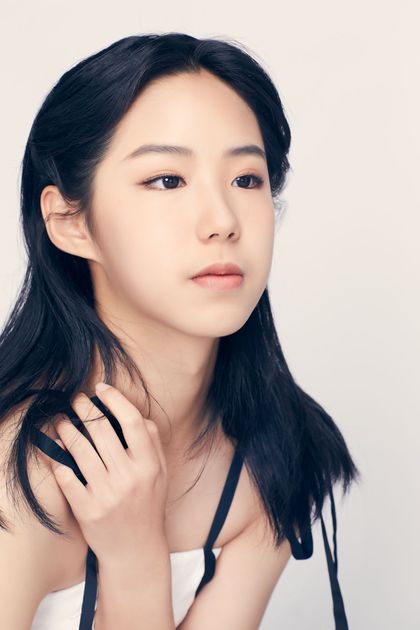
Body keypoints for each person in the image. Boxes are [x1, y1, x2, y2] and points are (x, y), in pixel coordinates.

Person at [0, 32, 361, 629]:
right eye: (167, 180)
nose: (222, 221)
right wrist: (132, 561)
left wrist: (135, 559)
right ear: (69, 221)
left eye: (246, 179)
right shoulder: (20, 474)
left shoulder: (274, 454)